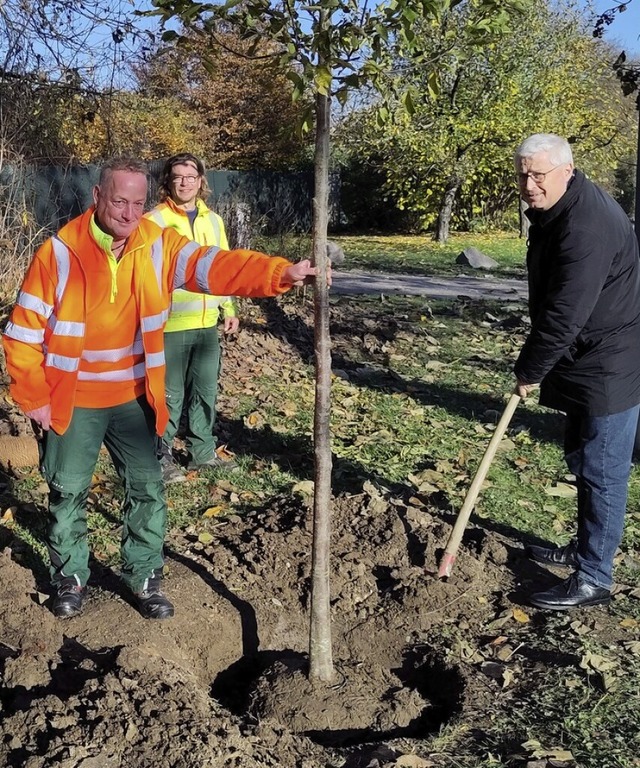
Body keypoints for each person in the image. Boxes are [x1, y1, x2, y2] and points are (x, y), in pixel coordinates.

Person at [2, 157, 317, 620]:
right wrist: (35, 398)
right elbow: (23, 333)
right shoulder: (59, 253)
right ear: (97, 198)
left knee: (147, 488)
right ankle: (69, 578)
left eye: (136, 203)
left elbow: (217, 266)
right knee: (67, 491)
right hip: (74, 401)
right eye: (118, 201)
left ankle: (145, 575)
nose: (128, 213)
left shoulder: (159, 244)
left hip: (133, 399)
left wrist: (279, 274)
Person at [513, 133, 640, 610]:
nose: (529, 184)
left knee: (602, 470)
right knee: (581, 458)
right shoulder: (564, 207)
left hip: (610, 363)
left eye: (538, 175)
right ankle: (586, 548)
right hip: (586, 357)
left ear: (567, 170)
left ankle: (594, 576)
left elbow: (565, 313)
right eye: (522, 174)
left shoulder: (585, 226)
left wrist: (530, 369)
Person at [146, 153, 238, 484]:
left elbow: (223, 267)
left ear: (201, 181)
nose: (184, 182)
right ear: (167, 182)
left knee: (205, 392)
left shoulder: (214, 221)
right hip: (169, 326)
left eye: (190, 176)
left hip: (206, 324)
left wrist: (228, 308)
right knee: (167, 395)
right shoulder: (154, 221)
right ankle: (160, 455)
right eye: (177, 177)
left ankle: (203, 454)